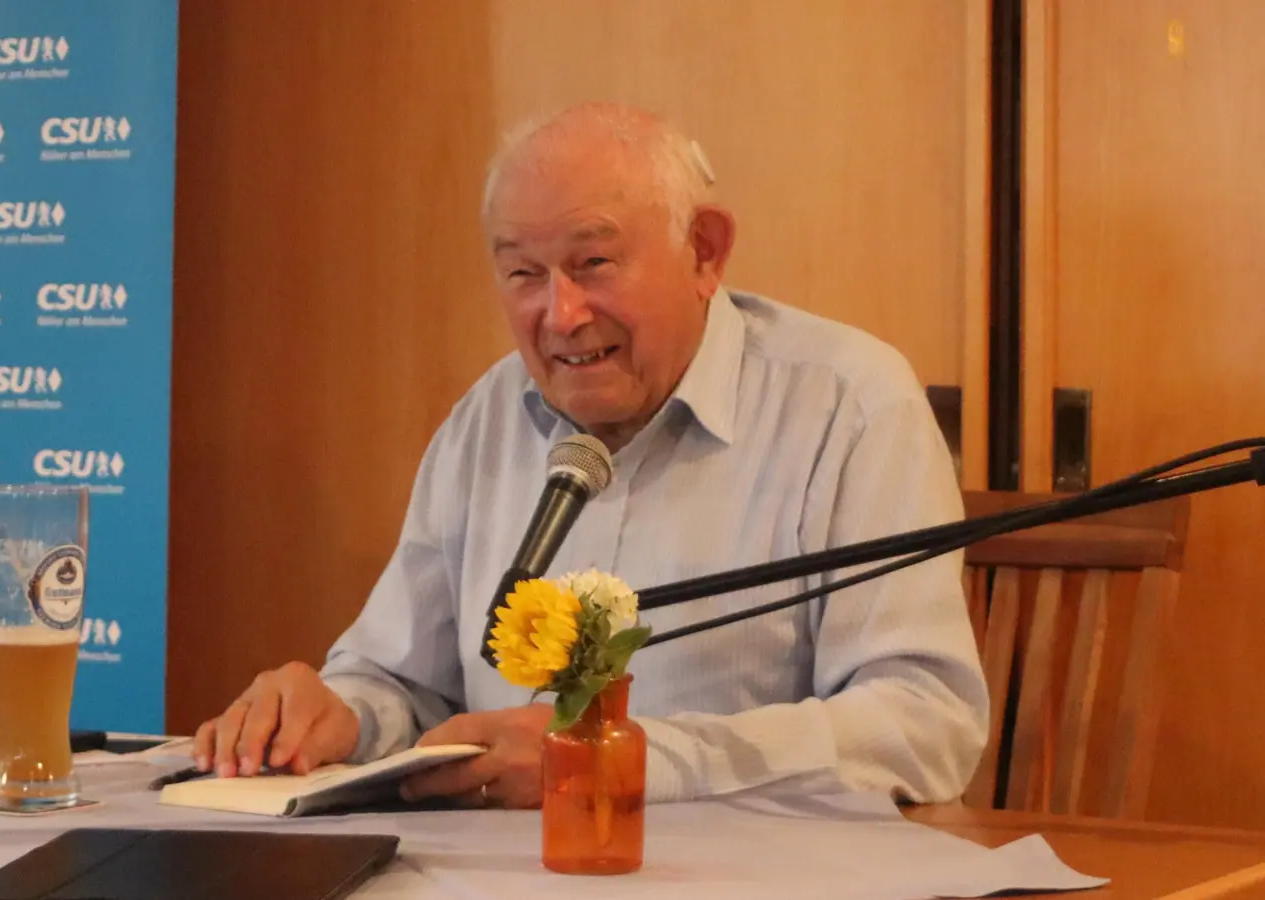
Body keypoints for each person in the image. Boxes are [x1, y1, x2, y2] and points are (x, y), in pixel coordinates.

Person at [194, 102, 989, 810]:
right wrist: (339, 715)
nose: (560, 315)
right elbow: (404, 680)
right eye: (522, 275)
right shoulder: (488, 419)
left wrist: (628, 763)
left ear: (705, 252)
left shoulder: (848, 405)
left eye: (593, 264)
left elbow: (923, 720)